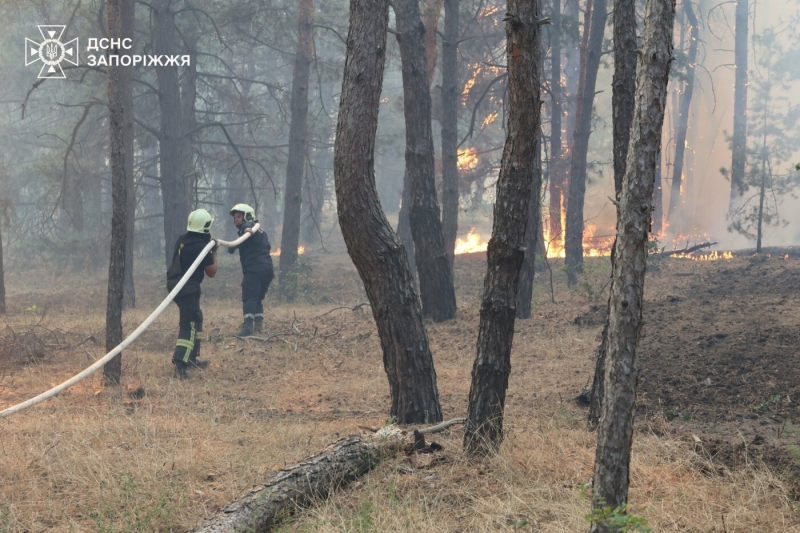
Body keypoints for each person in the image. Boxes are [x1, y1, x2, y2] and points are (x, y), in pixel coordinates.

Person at [166, 209, 218, 378]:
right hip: (187, 287)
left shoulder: (183, 240)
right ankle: (180, 364)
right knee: (189, 324)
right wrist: (214, 252)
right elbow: (212, 272)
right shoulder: (202, 246)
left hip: (175, 284)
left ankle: (192, 357)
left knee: (196, 318)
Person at [228, 203, 274, 337]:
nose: (235, 219)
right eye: (234, 217)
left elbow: (246, 226)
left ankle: (248, 326)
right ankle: (259, 325)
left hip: (254, 270)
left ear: (247, 217)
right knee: (257, 298)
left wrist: (246, 228)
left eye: (238, 216)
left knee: (249, 296)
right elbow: (232, 248)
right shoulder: (261, 232)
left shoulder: (249, 229)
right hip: (267, 270)